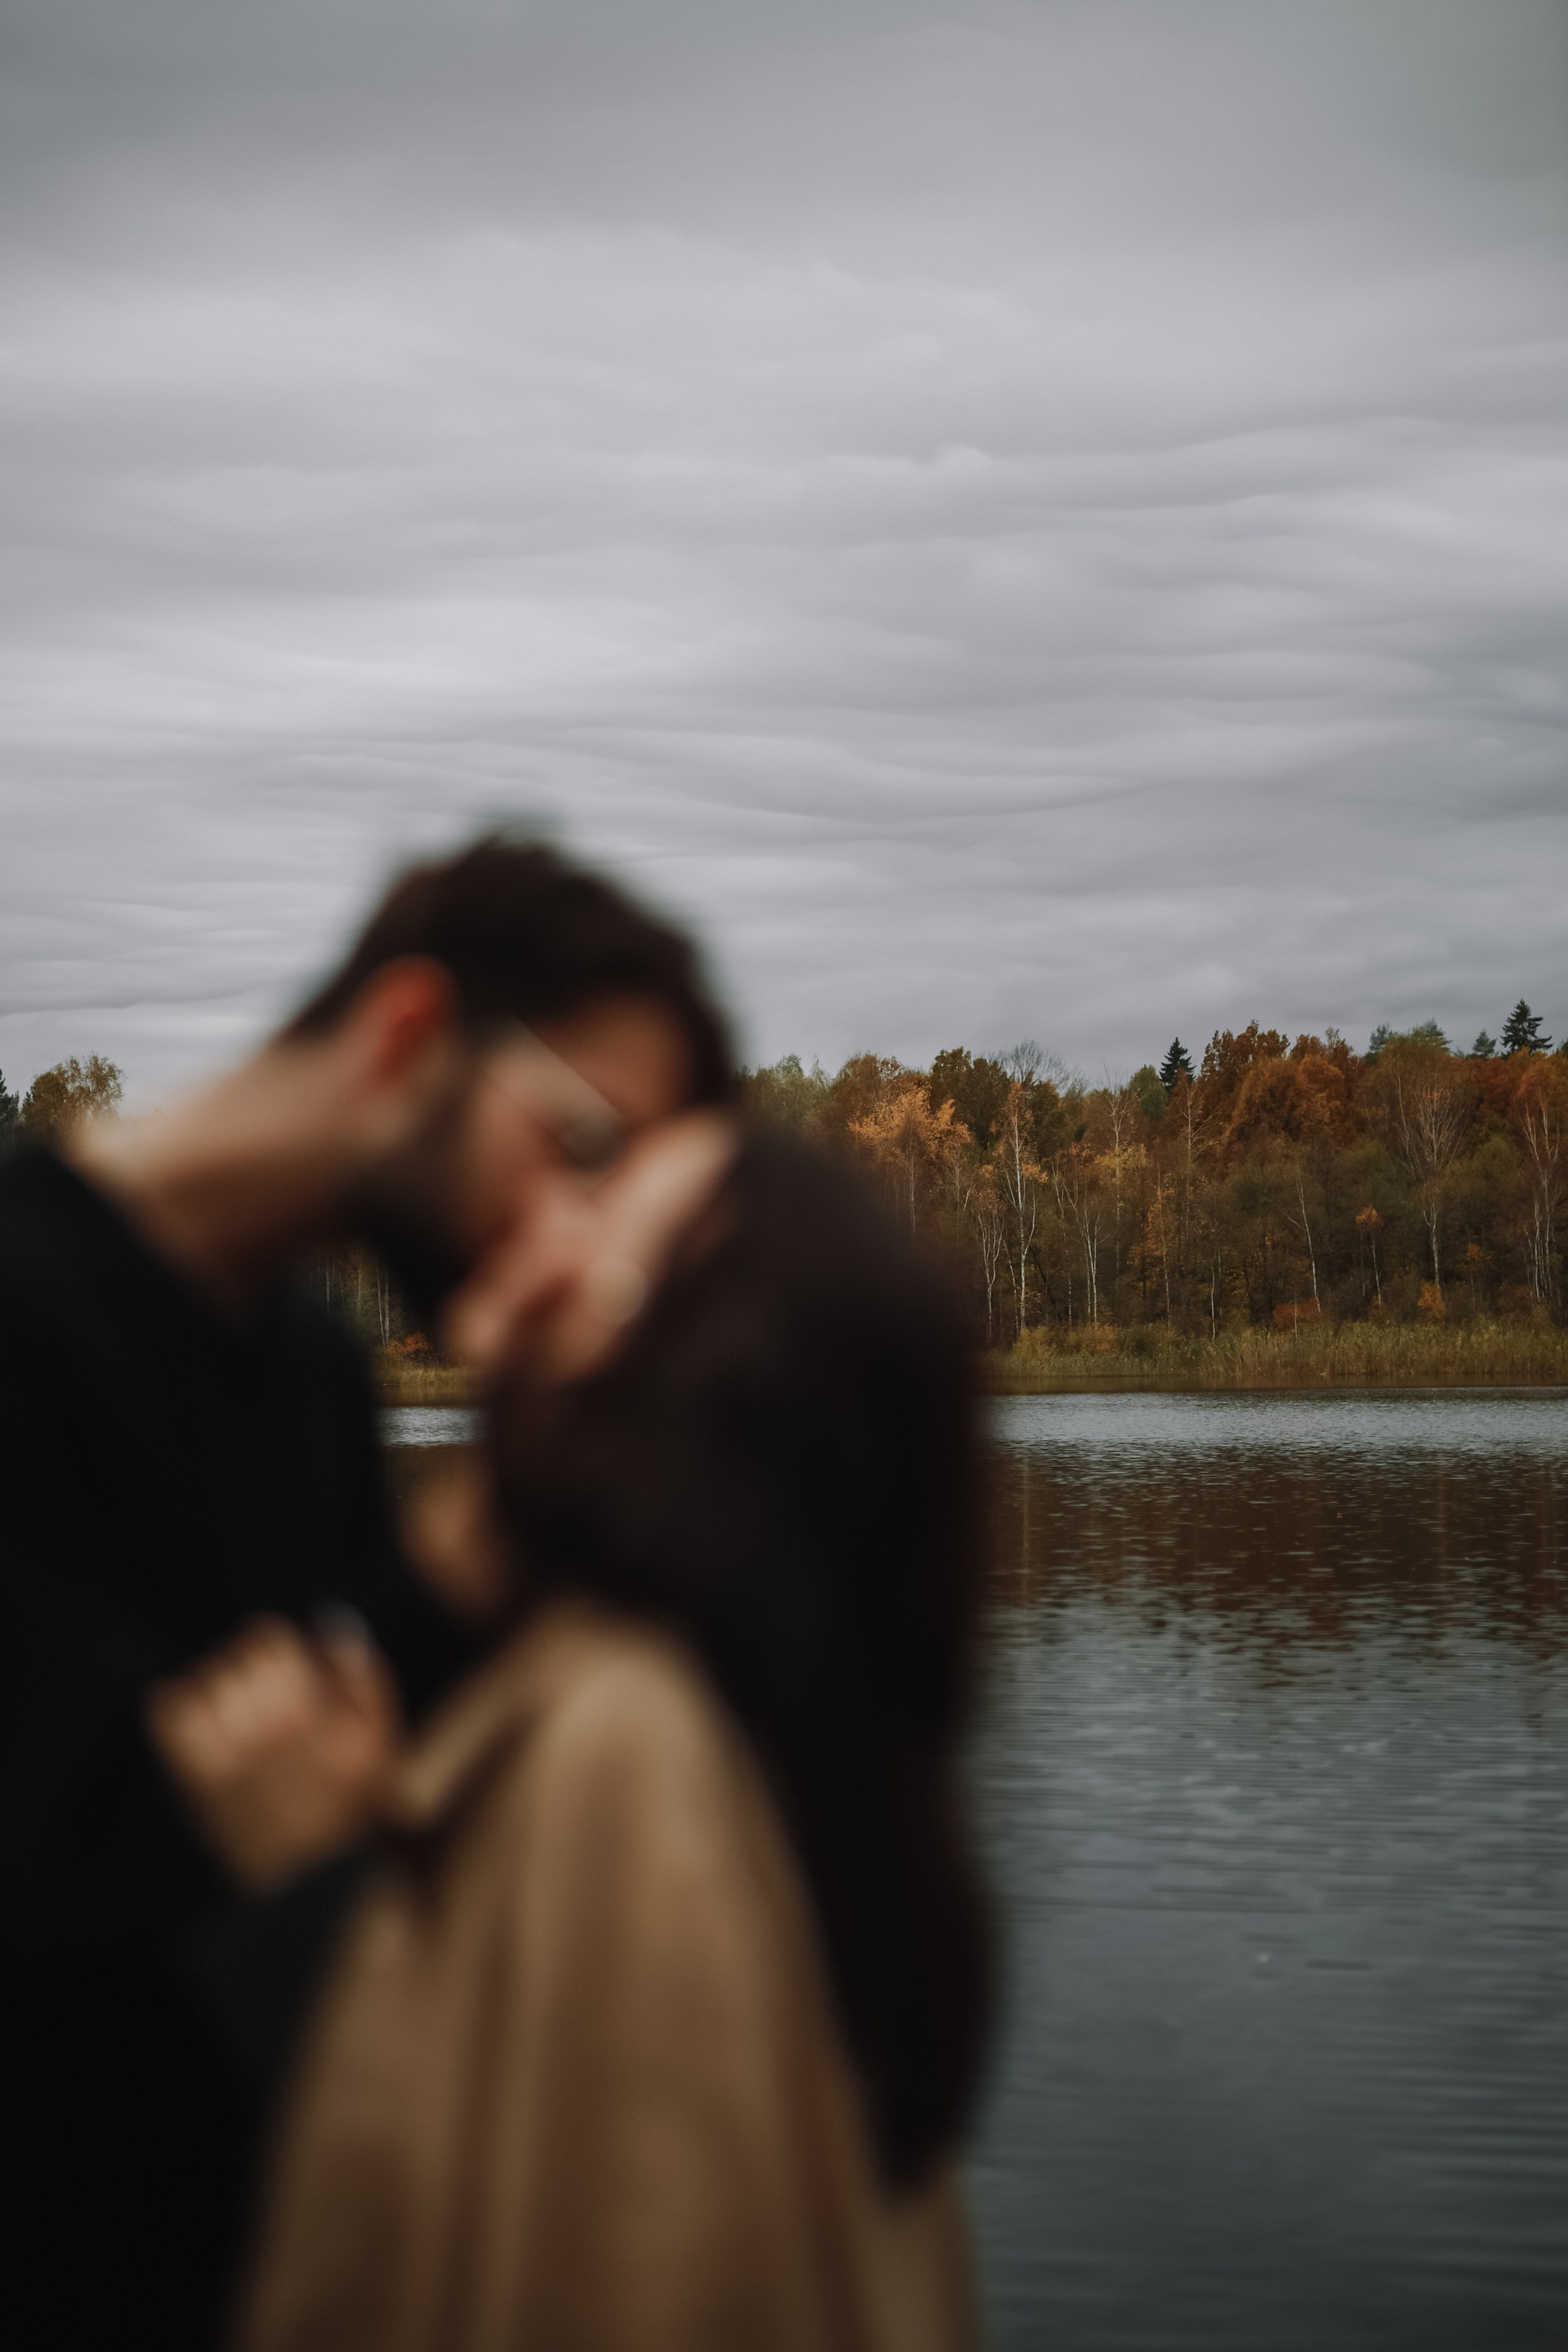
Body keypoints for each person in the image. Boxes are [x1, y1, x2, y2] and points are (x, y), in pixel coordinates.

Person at [0, 835, 732, 2352]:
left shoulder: (317, 1382)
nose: (578, 1246)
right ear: (407, 1038)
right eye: (578, 1150)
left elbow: (322, 1826)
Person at [154, 1114, 992, 2352]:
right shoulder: (696, 1709)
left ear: (710, 1382)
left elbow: (588, 2280)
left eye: (604, 1231)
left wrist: (299, 1889)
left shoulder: (630, 1750)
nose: (542, 1221)